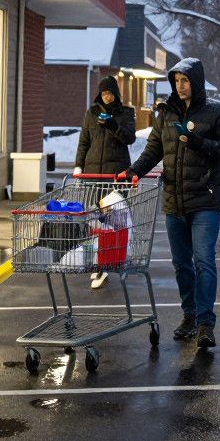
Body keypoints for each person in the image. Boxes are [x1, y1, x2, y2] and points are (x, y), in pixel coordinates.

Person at [121, 58, 220, 350]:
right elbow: (153, 150)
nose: (180, 86)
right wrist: (133, 171)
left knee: (204, 261)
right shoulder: (166, 114)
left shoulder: (216, 112)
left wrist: (200, 142)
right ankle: (189, 315)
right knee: (181, 265)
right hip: (174, 201)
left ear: (196, 81)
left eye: (185, 80)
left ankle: (205, 324)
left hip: (206, 200)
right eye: (176, 81)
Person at [73, 75, 136, 290]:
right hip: (93, 176)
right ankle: (98, 262)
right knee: (95, 221)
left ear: (116, 93)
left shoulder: (125, 113)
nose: (107, 97)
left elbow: (129, 137)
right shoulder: (91, 114)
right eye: (103, 93)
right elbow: (84, 141)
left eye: (110, 93)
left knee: (112, 223)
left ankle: (104, 264)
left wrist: (112, 125)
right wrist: (79, 167)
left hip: (115, 176)